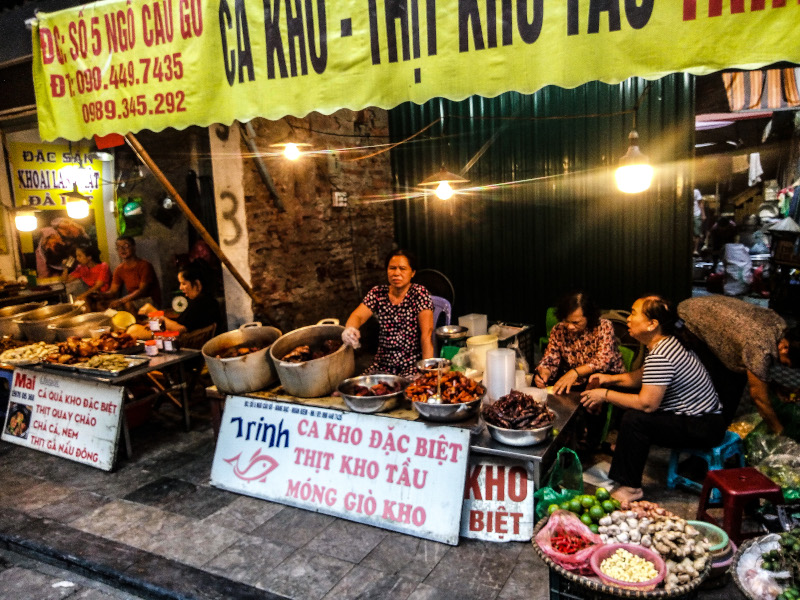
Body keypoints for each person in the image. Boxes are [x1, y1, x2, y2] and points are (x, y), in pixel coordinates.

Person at [580, 295, 724, 503]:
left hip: (702, 426)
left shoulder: (661, 355)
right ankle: (625, 472)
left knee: (635, 419)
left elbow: (647, 404)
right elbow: (642, 376)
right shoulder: (667, 343)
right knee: (629, 409)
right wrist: (609, 379)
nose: (628, 319)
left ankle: (631, 488)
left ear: (651, 324)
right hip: (706, 420)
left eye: (633, 313)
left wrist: (604, 394)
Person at [677, 295, 797, 434]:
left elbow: (758, 370)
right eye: (787, 364)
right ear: (784, 348)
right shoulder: (760, 348)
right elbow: (759, 398)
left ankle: (718, 427)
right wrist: (779, 432)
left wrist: (776, 387)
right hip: (691, 319)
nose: (784, 367)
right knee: (725, 385)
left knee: (738, 375)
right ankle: (709, 434)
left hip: (704, 307)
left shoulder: (780, 326)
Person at [342, 249, 434, 376]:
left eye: (402, 268)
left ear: (412, 273)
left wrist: (426, 372)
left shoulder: (419, 294)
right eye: (392, 268)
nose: (396, 273)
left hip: (411, 365)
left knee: (406, 393)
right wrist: (350, 329)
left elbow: (427, 335)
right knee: (359, 390)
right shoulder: (378, 293)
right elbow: (358, 315)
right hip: (382, 365)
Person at [534, 292, 625, 395]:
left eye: (575, 322)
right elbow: (551, 357)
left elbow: (603, 361)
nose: (569, 327)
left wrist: (575, 372)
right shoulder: (558, 330)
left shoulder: (604, 327)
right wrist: (545, 372)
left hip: (605, 377)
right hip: (575, 379)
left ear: (589, 317)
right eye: (566, 321)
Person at [139, 264, 224, 335]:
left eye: (184, 283)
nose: (181, 288)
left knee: (134, 330)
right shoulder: (209, 300)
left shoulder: (200, 303)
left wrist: (154, 313)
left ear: (197, 283)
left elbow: (180, 329)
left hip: (188, 345)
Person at [103, 237, 162, 312]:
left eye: (126, 246)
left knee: (127, 304)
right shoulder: (119, 269)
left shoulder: (144, 265)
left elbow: (142, 290)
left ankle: (136, 323)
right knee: (102, 305)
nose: (122, 250)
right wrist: (100, 295)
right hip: (131, 299)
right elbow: (113, 291)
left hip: (149, 299)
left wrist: (121, 301)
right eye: (118, 247)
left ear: (134, 247)